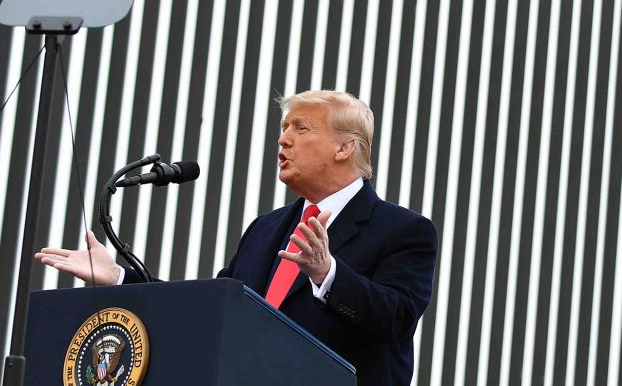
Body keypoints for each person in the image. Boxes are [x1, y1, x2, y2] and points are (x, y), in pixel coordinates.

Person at [36, 90, 439, 386]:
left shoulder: (404, 230)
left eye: (301, 128)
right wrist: (121, 280)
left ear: (345, 147)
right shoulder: (265, 228)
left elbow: (397, 318)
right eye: (284, 128)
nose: (283, 139)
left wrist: (327, 273)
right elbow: (213, 311)